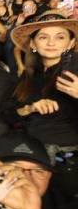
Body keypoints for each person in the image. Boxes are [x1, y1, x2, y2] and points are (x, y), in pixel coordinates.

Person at [4, 11, 78, 195]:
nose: (51, 43)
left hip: (67, 165)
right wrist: (29, 108)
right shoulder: (29, 75)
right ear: (33, 43)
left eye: (60, 37)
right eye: (43, 37)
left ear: (71, 42)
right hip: (30, 160)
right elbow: (6, 112)